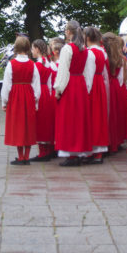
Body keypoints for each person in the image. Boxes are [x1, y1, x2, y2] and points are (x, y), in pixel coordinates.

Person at [53, 20, 95, 166]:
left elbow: (63, 71)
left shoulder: (67, 49)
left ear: (69, 32)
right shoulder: (85, 50)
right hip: (81, 84)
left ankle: (71, 154)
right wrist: (87, 88)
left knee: (69, 120)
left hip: (70, 85)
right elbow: (89, 72)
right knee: (79, 120)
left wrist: (58, 89)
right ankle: (79, 152)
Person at [1, 36, 40, 165]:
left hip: (16, 97)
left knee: (18, 125)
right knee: (28, 125)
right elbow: (36, 85)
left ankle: (21, 156)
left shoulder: (11, 64)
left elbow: (6, 85)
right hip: (28, 95)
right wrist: (36, 101)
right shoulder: (33, 65)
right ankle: (27, 157)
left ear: (16, 48)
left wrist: (4, 102)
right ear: (28, 48)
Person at [84, 27, 109, 164]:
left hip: (92, 84)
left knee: (92, 118)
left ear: (87, 38)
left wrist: (86, 90)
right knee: (99, 117)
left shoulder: (90, 53)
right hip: (100, 84)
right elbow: (105, 72)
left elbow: (88, 73)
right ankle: (99, 151)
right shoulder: (102, 52)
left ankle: (92, 151)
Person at [30, 39, 56, 162]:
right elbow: (51, 82)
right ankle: (49, 149)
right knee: (47, 121)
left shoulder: (37, 65)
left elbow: (33, 82)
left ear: (37, 49)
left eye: (32, 48)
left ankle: (43, 152)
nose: (31, 51)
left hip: (39, 92)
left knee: (40, 122)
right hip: (47, 92)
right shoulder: (49, 63)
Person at [102, 32, 127, 153]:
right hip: (118, 86)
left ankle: (108, 142)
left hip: (109, 86)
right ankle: (117, 141)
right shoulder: (122, 58)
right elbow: (124, 77)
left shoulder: (105, 57)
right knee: (117, 115)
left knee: (109, 115)